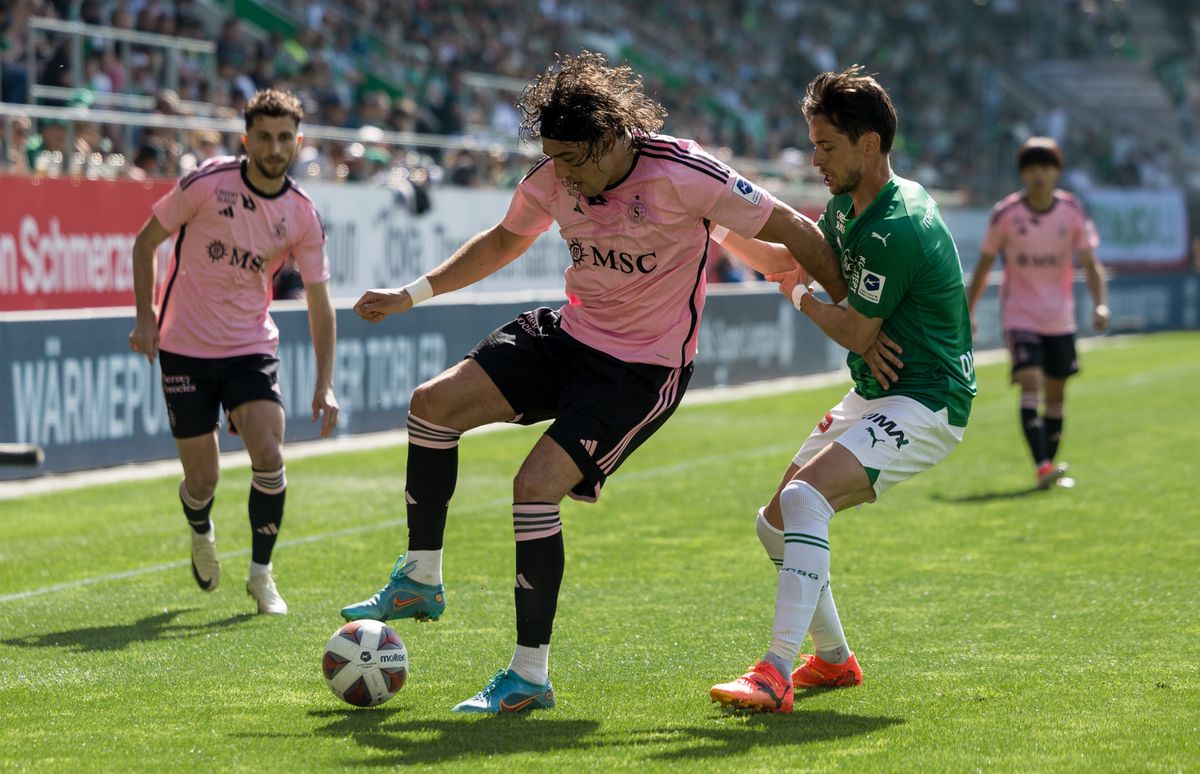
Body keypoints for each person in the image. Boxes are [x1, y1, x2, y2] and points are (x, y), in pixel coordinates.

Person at [339, 51, 849, 714]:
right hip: (572, 335)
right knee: (431, 405)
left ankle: (528, 675)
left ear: (610, 139)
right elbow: (502, 241)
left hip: (641, 371)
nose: (565, 177)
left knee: (533, 487)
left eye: (573, 160)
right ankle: (420, 577)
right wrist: (412, 294)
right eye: (553, 158)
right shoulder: (556, 176)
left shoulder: (684, 172)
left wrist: (846, 306)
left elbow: (793, 229)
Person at [709, 66, 976, 713]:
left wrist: (799, 295)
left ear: (870, 145)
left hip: (928, 399)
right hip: (878, 390)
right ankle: (832, 660)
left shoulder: (898, 224)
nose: (815, 159)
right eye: (814, 143)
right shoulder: (846, 210)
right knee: (774, 522)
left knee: (805, 499)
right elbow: (786, 260)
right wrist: (713, 227)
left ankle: (774, 670)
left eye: (827, 145)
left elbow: (855, 328)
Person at [128, 88, 339, 615]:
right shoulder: (206, 183)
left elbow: (320, 302)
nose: (274, 147)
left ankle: (261, 575)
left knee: (268, 455)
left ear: (298, 142)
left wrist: (324, 382)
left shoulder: (302, 214)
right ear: (247, 140)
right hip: (185, 348)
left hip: (250, 346)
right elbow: (144, 242)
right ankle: (200, 526)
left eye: (285, 138)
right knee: (203, 481)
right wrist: (145, 317)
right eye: (264, 137)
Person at [967, 136, 1108, 490]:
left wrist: (1100, 302)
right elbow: (984, 266)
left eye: (1046, 167)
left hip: (1060, 318)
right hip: (1020, 316)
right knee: (1031, 382)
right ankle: (1043, 465)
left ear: (1057, 171)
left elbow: (1091, 264)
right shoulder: (1006, 214)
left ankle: (1048, 465)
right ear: (1022, 174)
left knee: (1056, 395)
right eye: (1031, 168)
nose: (1039, 175)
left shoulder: (1072, 212)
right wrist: (967, 311)